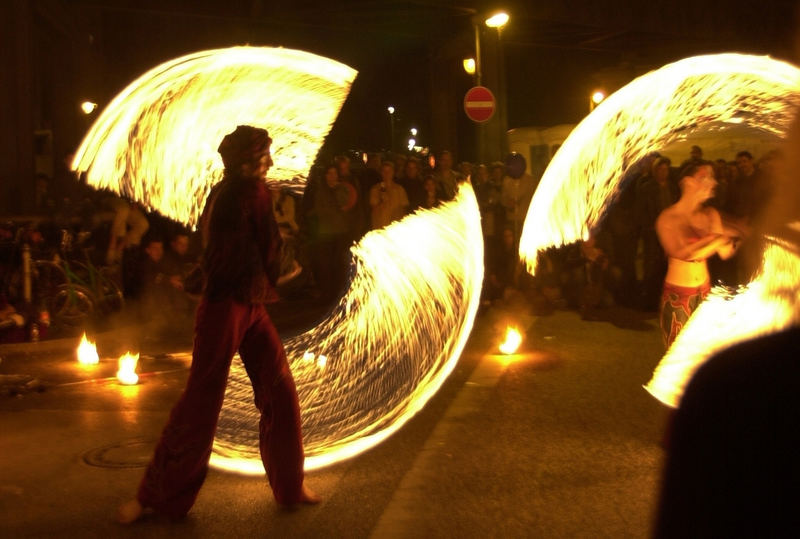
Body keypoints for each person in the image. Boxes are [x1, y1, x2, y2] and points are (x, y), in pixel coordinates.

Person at [117, 125, 319, 524]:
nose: (272, 163)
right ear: (248, 163)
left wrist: (199, 279)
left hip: (247, 302)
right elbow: (265, 249)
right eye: (265, 157)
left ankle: (291, 484)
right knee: (202, 401)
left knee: (277, 389)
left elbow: (220, 249)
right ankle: (153, 496)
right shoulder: (250, 194)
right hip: (227, 306)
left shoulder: (226, 191)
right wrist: (292, 272)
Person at [655, 161, 741, 348]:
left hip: (704, 291)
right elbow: (683, 253)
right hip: (679, 297)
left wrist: (744, 238)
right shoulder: (668, 218)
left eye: (712, 177)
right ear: (687, 182)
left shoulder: (710, 215)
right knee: (678, 355)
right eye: (705, 177)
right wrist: (718, 238)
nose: (713, 182)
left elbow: (726, 253)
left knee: (703, 353)